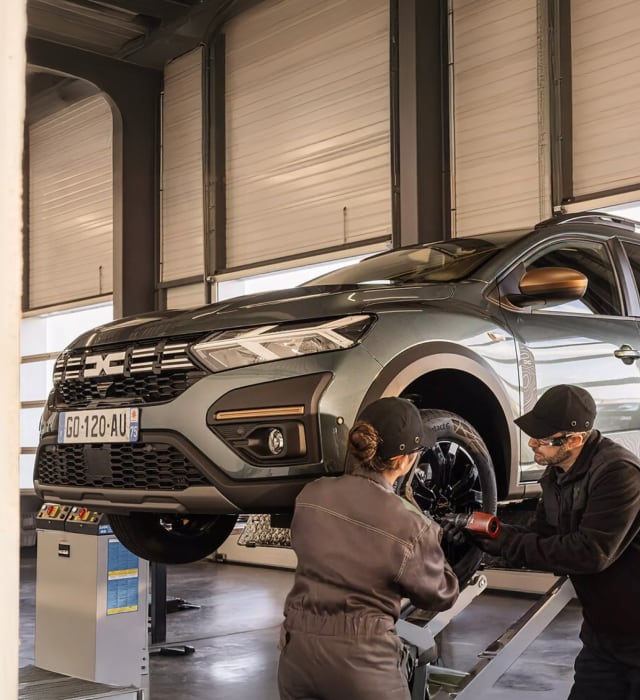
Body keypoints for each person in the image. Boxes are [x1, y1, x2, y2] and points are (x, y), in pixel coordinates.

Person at [449, 384, 640, 700]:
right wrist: (483, 535)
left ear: (575, 440)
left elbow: (589, 553)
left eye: (542, 439)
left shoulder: (618, 474)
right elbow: (540, 536)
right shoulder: (556, 475)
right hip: (603, 635)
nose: (532, 444)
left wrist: (507, 540)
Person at [277, 396, 459, 700]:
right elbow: (440, 594)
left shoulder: (311, 495)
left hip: (297, 655)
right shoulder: (410, 524)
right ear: (403, 460)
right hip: (362, 663)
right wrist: (436, 541)